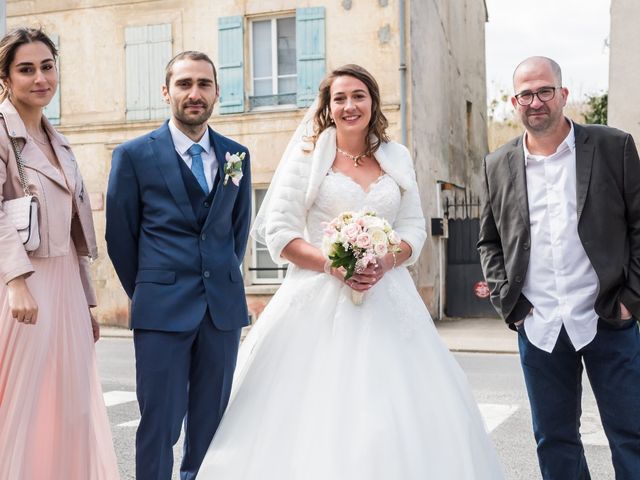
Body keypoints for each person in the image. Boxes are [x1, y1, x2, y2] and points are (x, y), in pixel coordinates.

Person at [196, 64, 503, 479]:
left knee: (398, 410)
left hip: (389, 295)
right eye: (339, 98)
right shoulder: (308, 156)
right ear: (328, 107)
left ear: (372, 101)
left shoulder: (397, 156)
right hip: (317, 297)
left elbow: (413, 227)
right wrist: (332, 264)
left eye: (358, 95)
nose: (349, 105)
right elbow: (279, 232)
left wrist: (386, 259)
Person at [478, 56, 640, 479]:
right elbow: (489, 241)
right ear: (515, 102)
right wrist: (511, 306)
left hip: (607, 316)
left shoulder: (612, 146)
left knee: (632, 434)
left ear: (563, 94)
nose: (536, 101)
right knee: (554, 439)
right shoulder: (497, 164)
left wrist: (631, 298)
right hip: (540, 324)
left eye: (544, 91)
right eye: (526, 94)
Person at [105, 50, 252, 480]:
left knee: (211, 426)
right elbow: (121, 237)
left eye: (203, 84)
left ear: (216, 93)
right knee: (159, 427)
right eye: (184, 84)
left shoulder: (235, 156)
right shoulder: (133, 156)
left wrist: (220, 279)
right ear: (166, 91)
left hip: (221, 313)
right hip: (161, 310)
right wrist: (150, 289)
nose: (194, 93)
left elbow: (236, 233)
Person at [0, 28, 119, 479]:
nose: (40, 78)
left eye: (47, 67)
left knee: (69, 405)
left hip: (66, 285)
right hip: (23, 285)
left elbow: (74, 233)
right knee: (22, 405)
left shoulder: (59, 141)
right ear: (6, 78)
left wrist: (87, 301)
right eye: (26, 69)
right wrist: (15, 283)